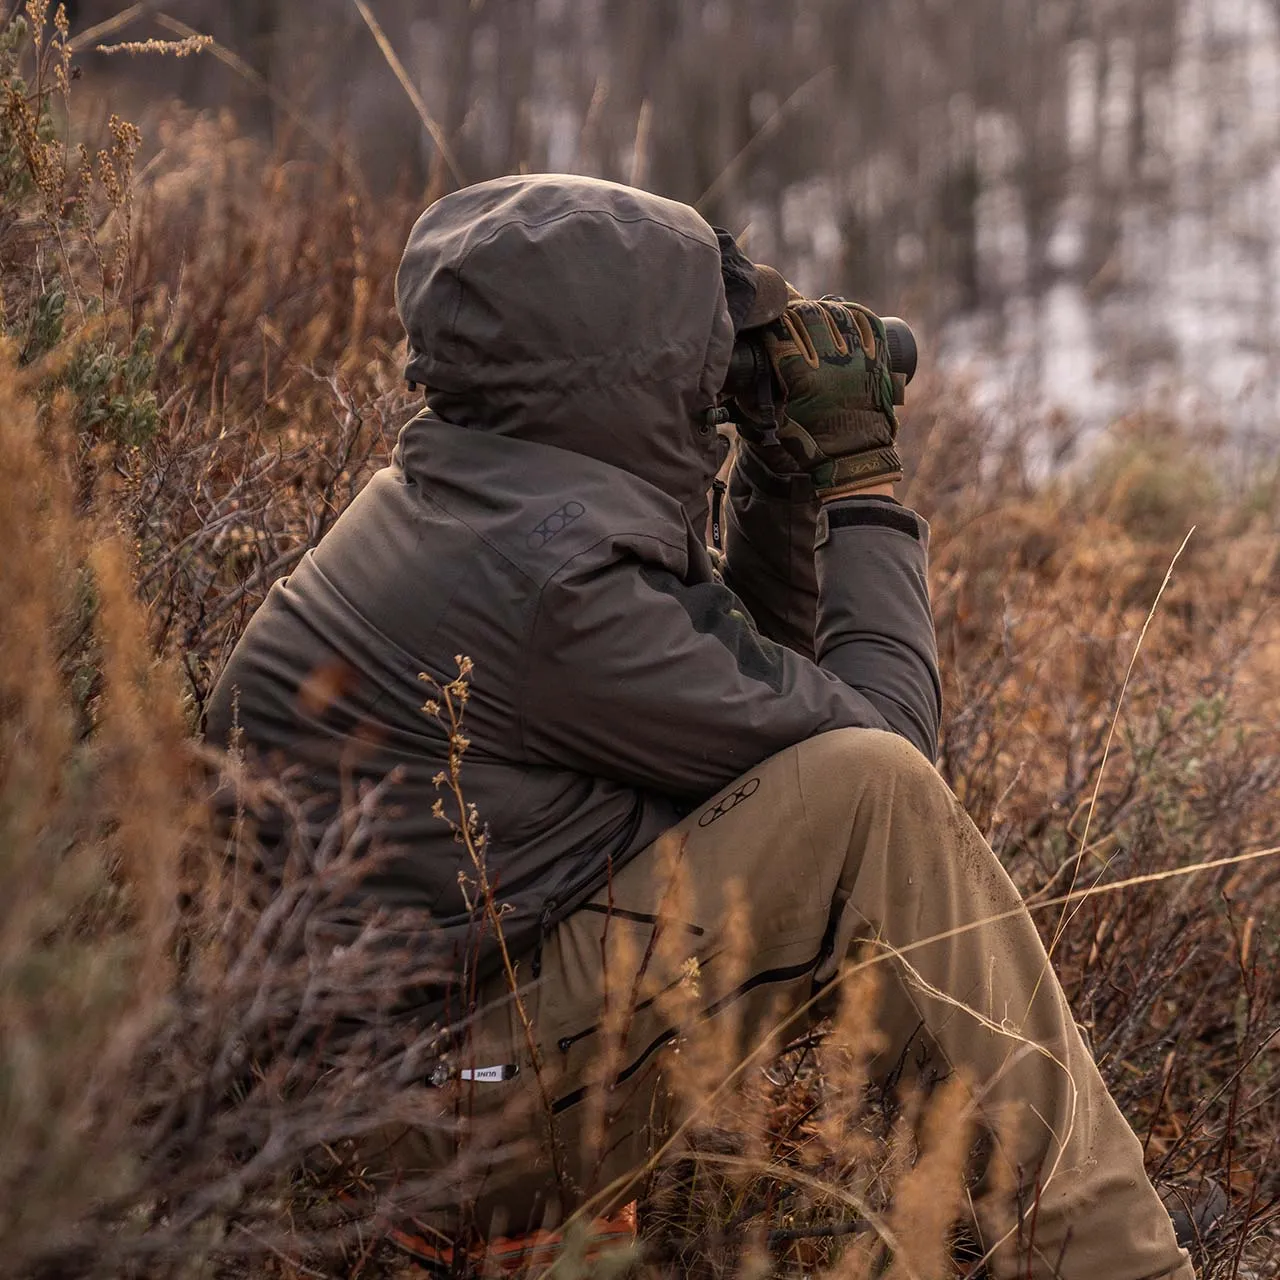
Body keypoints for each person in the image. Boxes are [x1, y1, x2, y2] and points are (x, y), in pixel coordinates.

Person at [205, 174, 1195, 1280]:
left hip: (392, 1086)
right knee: (878, 797)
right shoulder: (554, 586)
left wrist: (782, 476)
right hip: (421, 1127)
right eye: (698, 344)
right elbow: (879, 757)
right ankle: (1115, 1261)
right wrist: (862, 480)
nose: (715, 369)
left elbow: (761, 726)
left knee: (854, 802)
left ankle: (999, 1222)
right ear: (621, 374)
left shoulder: (483, 500)